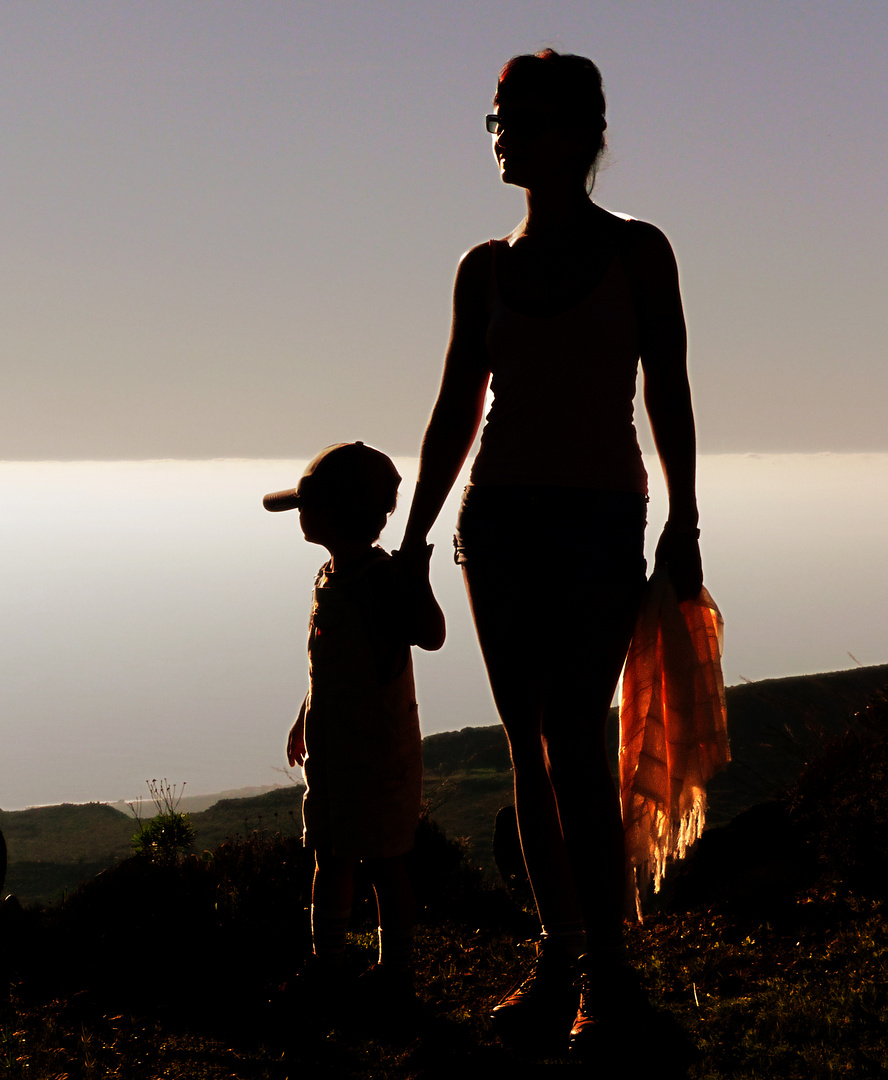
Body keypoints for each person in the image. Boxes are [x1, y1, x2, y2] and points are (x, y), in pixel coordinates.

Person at [396, 50, 703, 1057]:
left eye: (525, 119)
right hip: (500, 520)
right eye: (498, 119)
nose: (506, 135)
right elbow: (455, 409)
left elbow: (669, 393)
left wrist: (684, 522)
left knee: (573, 732)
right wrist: (413, 538)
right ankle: (563, 960)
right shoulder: (482, 269)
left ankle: (605, 974)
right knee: (530, 745)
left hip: (600, 518)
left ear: (581, 133)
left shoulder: (638, 251)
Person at [264, 441, 423, 1007]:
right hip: (335, 750)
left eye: (306, 507)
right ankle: (328, 967)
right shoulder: (330, 576)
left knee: (384, 861)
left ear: (330, 513)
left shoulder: (377, 580)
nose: (300, 517)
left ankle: (395, 973)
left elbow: (430, 631)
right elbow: (329, 664)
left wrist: (415, 578)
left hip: (377, 752)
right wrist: (304, 716)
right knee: (329, 853)